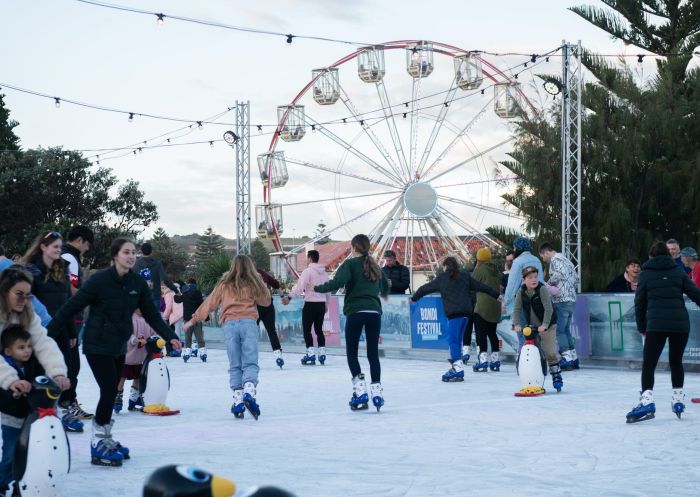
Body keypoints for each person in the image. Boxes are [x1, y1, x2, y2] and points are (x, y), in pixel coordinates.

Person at [47, 238, 181, 467]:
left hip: (119, 346)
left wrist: (170, 336)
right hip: (97, 345)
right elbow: (72, 306)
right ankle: (99, 442)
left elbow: (151, 314)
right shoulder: (99, 281)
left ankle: (105, 437)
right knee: (109, 390)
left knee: (110, 393)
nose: (131, 256)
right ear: (115, 255)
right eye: (126, 252)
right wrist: (48, 335)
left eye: (133, 253)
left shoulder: (137, 283)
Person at [184, 255, 270, 419]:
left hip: (230, 325)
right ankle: (249, 391)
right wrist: (260, 282)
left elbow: (210, 303)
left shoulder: (224, 284)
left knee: (235, 364)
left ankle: (238, 401)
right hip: (248, 323)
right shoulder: (254, 282)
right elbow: (266, 302)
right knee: (250, 361)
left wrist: (192, 320)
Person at [626, 242, 700, 423]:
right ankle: (678, 400)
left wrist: (642, 327)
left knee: (649, 364)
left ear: (650, 257)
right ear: (669, 256)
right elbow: (696, 294)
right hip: (680, 325)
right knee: (676, 362)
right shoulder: (678, 272)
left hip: (656, 325)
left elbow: (640, 303)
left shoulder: (645, 275)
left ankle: (647, 401)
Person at [315, 234, 389, 411]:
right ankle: (377, 392)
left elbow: (337, 283)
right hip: (374, 313)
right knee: (372, 354)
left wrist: (317, 288)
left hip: (356, 312)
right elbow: (385, 287)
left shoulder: (349, 264)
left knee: (352, 353)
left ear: (354, 247)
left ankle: (360, 390)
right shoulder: (376, 266)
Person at [23, 230, 83, 432]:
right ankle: (39, 410)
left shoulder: (62, 270)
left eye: (60, 246)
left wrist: (72, 331)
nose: (59, 250)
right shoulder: (31, 271)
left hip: (61, 329)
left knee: (65, 369)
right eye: (55, 246)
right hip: (38, 330)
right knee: (39, 371)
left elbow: (68, 302)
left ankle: (64, 410)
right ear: (43, 247)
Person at [411, 256, 501, 382]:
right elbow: (481, 286)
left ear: (445, 267)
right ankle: (457, 366)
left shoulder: (442, 278)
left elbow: (425, 288)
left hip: (454, 314)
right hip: (466, 314)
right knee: (457, 340)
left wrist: (414, 298)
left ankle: (457, 368)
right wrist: (496, 295)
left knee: (453, 340)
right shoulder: (465, 276)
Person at [0, 325, 62, 493]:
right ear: (7, 351)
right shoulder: (5, 369)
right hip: (12, 421)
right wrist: (15, 393)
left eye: (28, 346)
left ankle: (20, 487)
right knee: (10, 455)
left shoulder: (34, 365)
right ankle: (2, 484)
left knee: (29, 455)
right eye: (21, 347)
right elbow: (3, 397)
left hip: (32, 420)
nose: (27, 351)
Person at [60, 225, 95, 423]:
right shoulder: (70, 258)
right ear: (80, 240)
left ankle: (66, 403)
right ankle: (69, 404)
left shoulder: (66, 256)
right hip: (71, 319)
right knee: (71, 365)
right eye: (87, 244)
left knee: (68, 363)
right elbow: (71, 291)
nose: (87, 249)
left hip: (67, 318)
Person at [512, 266, 563, 392]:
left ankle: (556, 375)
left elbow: (548, 309)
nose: (534, 280)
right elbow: (517, 309)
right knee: (535, 353)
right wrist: (517, 324)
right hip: (533, 328)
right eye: (530, 278)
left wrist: (545, 325)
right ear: (524, 280)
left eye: (535, 277)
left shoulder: (542, 289)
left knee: (549, 351)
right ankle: (537, 378)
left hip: (548, 325)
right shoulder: (521, 292)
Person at [283, 250, 330, 365]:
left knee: (307, 330)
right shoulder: (324, 273)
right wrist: (326, 304)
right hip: (321, 304)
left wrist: (289, 297)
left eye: (306, 258)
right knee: (319, 330)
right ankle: (322, 354)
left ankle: (310, 354)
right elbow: (328, 290)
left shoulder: (307, 271)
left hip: (310, 304)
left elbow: (300, 288)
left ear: (309, 258)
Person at [539, 242, 580, 370]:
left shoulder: (555, 260)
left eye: (542, 256)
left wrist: (549, 284)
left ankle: (566, 358)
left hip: (561, 299)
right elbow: (576, 278)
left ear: (546, 252)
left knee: (560, 330)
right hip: (571, 298)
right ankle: (573, 357)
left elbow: (559, 274)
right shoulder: (566, 260)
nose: (543, 259)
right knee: (566, 329)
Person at [114, 310, 158, 413]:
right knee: (122, 377)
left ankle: (133, 399)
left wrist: (156, 339)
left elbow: (153, 332)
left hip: (140, 357)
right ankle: (117, 397)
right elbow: (126, 333)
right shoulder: (130, 317)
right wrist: (135, 339)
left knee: (138, 377)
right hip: (127, 356)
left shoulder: (147, 319)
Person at [503, 237, 544, 347]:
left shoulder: (517, 262)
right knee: (535, 333)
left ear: (517, 248)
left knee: (522, 332)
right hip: (538, 299)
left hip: (524, 300)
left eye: (515, 247)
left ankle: (524, 360)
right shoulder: (536, 260)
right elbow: (541, 281)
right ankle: (538, 359)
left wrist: (505, 302)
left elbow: (512, 284)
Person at [470, 248, 503, 372]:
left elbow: (471, 283)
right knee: (492, 333)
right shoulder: (494, 269)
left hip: (482, 306)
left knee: (481, 334)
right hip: (495, 305)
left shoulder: (480, 269)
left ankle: (483, 360)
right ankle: (495, 360)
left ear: (479, 258)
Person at [133, 242, 177, 309]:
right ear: (151, 251)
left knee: (140, 319)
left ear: (141, 251)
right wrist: (176, 290)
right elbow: (165, 279)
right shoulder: (157, 264)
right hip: (155, 297)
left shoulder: (135, 264)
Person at [256, 268, 284, 367]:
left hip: (255, 307)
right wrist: (282, 296)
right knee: (271, 331)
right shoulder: (263, 273)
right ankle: (278, 355)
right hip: (268, 305)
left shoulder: (246, 275)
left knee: (251, 333)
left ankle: (250, 356)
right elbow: (276, 284)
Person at [174, 278, 207, 363]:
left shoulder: (186, 293)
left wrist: (176, 293)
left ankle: (187, 351)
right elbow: (203, 305)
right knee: (199, 336)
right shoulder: (198, 293)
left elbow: (177, 300)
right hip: (197, 318)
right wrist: (206, 317)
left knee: (188, 337)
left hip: (187, 319)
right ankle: (202, 352)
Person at [161, 283, 186, 354]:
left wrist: (165, 316)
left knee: (173, 333)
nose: (162, 290)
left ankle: (176, 350)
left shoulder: (168, 294)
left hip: (176, 314)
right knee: (176, 332)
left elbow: (168, 307)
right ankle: (176, 350)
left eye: (163, 288)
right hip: (181, 313)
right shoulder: (177, 291)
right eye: (161, 288)